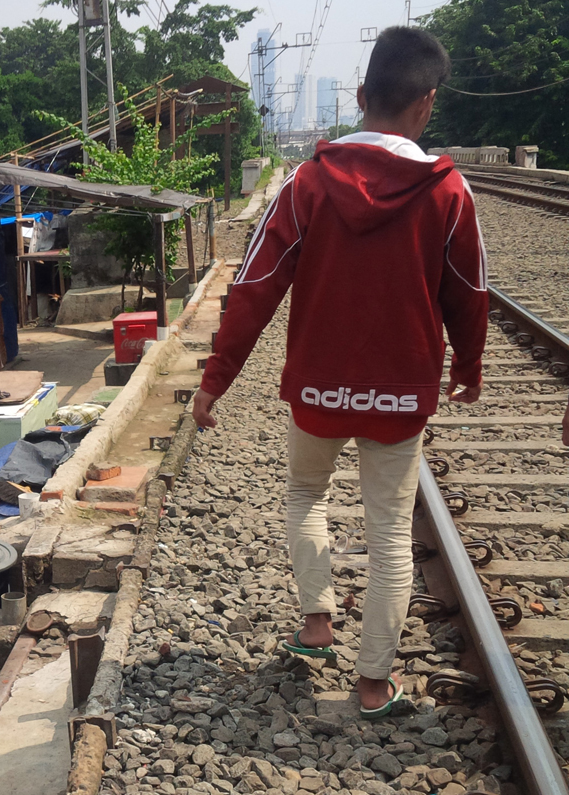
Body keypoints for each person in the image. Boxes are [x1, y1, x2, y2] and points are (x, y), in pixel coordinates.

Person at [192, 27, 487, 719]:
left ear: (359, 97)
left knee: (305, 492)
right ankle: (372, 686)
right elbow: (467, 292)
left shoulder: (307, 183)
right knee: (388, 531)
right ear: (426, 104)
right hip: (400, 393)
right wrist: (467, 366)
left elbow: (256, 284)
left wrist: (215, 379)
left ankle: (316, 623)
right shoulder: (448, 191)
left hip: (318, 390)